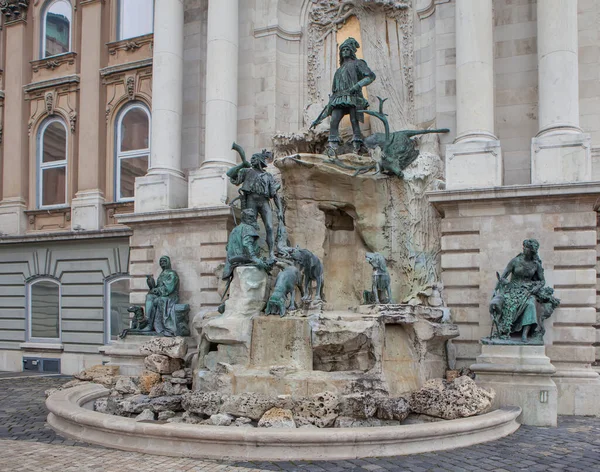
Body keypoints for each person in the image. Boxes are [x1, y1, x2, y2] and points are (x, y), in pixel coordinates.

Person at [311, 37, 376, 155]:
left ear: (351, 51)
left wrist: (357, 86)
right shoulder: (338, 71)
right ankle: (333, 146)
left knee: (354, 120)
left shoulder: (358, 63)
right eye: (343, 50)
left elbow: (370, 76)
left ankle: (357, 143)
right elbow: (334, 92)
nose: (345, 51)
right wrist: (319, 119)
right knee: (334, 120)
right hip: (339, 98)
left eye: (347, 49)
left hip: (353, 96)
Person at [490, 239, 560, 342]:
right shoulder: (515, 261)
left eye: (526, 248)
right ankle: (505, 329)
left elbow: (542, 281)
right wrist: (502, 283)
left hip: (527, 290)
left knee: (531, 304)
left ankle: (525, 333)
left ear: (532, 251)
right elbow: (504, 276)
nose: (524, 249)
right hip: (512, 289)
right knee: (508, 303)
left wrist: (536, 288)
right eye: (524, 247)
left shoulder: (536, 265)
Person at [227, 146, 283, 262]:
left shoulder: (268, 176)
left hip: (264, 202)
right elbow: (230, 174)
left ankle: (271, 253)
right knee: (249, 227)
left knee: (269, 226)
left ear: (260, 161)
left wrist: (280, 210)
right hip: (251, 200)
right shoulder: (246, 171)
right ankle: (251, 253)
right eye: (251, 159)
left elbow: (275, 195)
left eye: (254, 158)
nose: (252, 160)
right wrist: (242, 164)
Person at [143, 255, 181, 336]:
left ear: (168, 262)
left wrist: (157, 290)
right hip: (163, 294)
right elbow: (158, 287)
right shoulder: (162, 274)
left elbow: (169, 288)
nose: (162, 263)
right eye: (161, 261)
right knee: (149, 296)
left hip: (170, 296)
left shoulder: (172, 274)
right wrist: (151, 284)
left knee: (159, 300)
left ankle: (162, 327)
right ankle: (148, 322)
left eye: (164, 261)